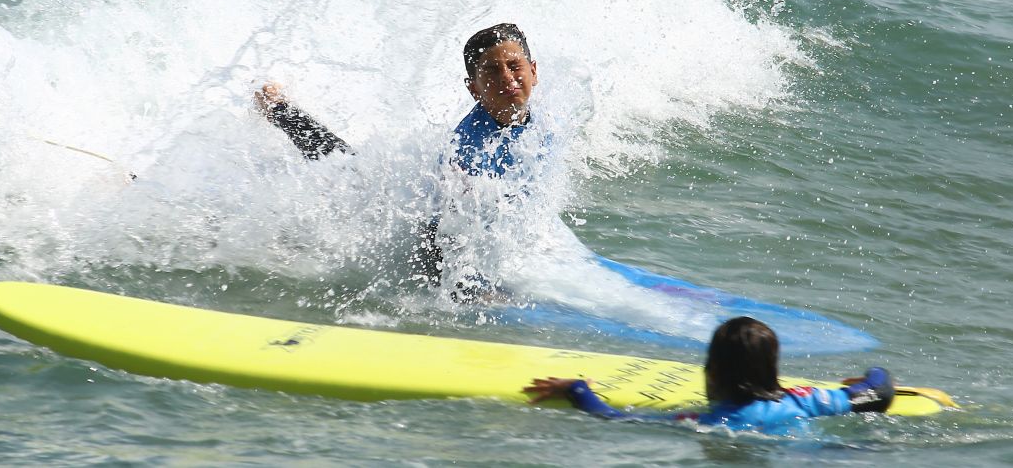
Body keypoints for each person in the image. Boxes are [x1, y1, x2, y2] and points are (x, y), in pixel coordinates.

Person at [254, 22, 544, 288]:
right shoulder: (468, 153)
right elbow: (437, 233)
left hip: (398, 184)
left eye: (514, 66)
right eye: (492, 72)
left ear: (533, 71)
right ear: (473, 89)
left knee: (343, 158)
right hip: (378, 203)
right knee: (339, 164)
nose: (508, 78)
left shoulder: (541, 116)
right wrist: (460, 290)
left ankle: (279, 107)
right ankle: (277, 107)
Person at [525, 316, 896, 434]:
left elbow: (613, 417)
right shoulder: (808, 401)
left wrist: (576, 387)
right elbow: (880, 392)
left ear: (713, 371)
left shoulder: (710, 421)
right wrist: (867, 375)